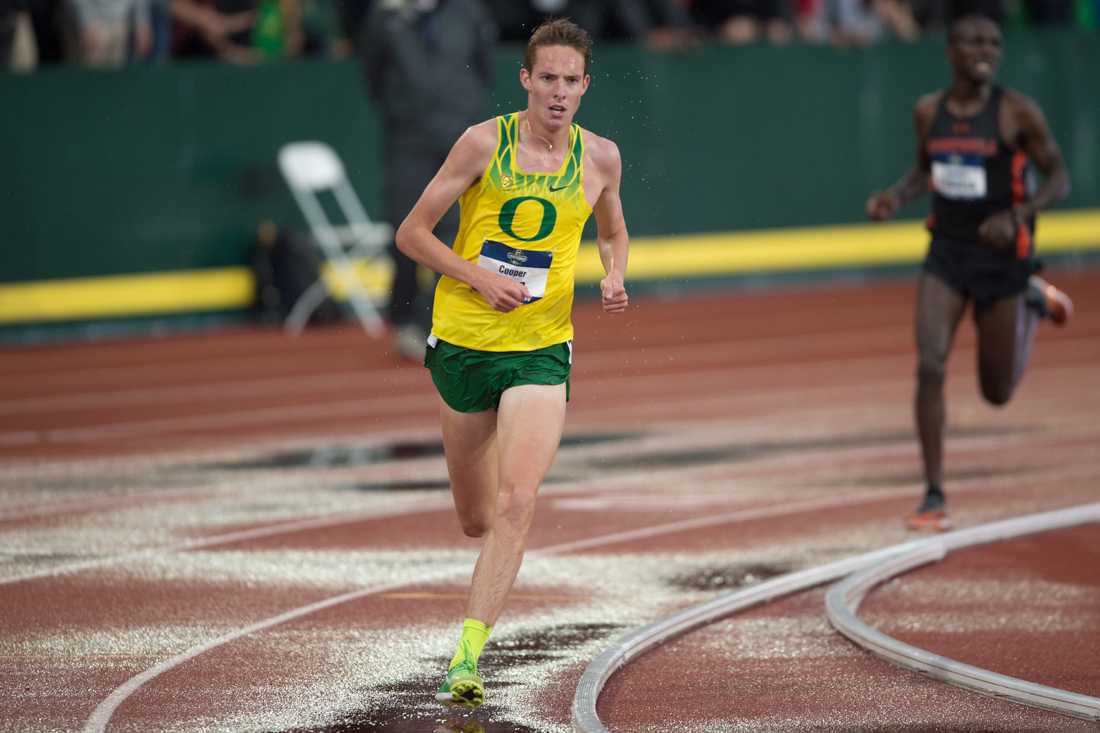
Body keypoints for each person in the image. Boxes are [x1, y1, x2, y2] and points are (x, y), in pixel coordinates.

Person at [394, 18, 629, 708]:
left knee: (517, 502)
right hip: (465, 344)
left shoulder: (601, 158)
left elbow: (613, 227)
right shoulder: (481, 143)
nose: (559, 93)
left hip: (540, 349)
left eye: (571, 81)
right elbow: (410, 232)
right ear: (526, 80)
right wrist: (475, 275)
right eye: (547, 78)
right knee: (475, 517)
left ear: (586, 86)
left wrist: (613, 272)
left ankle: (467, 654)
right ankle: (489, 468)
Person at [865, 13, 1072, 532]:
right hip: (947, 255)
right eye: (974, 41)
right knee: (930, 365)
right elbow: (926, 170)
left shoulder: (1017, 113)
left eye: (994, 42)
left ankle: (1031, 299)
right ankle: (933, 494)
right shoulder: (928, 111)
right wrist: (896, 195)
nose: (986, 49)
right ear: (950, 49)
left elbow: (1059, 178)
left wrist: (1017, 217)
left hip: (1003, 262)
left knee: (996, 393)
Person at [363, 0, 496, 361]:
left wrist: (461, 107)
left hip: (459, 139)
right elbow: (372, 75)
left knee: (455, 232)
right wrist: (402, 110)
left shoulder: (469, 11)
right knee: (404, 227)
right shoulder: (386, 15)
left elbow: (484, 66)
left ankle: (434, 322)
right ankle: (403, 317)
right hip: (407, 140)